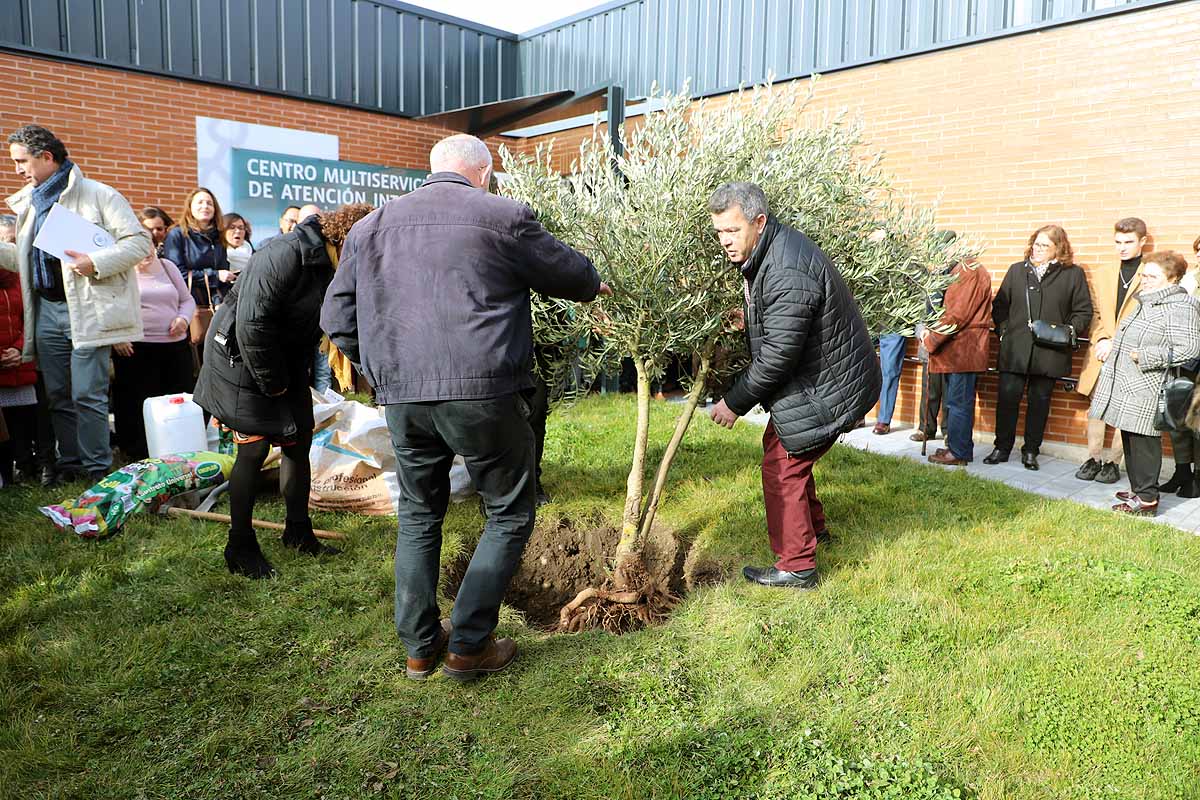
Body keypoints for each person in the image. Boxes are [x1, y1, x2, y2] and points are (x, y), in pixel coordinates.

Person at [322, 133, 606, 682]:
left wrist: (381, 368)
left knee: (419, 514)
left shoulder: (370, 227)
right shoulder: (502, 215)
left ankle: (420, 650)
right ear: (484, 171)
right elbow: (575, 278)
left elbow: (336, 319)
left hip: (402, 397)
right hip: (483, 391)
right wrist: (598, 282)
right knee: (508, 510)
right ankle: (469, 645)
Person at [707, 182, 880, 590]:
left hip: (831, 386)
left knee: (783, 466)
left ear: (759, 221)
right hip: (824, 378)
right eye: (719, 233)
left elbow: (778, 357)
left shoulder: (785, 267)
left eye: (732, 231)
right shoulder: (772, 251)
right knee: (787, 447)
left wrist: (733, 403)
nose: (725, 242)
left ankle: (797, 565)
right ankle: (813, 532)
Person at [194, 203, 374, 578]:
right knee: (255, 446)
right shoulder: (283, 254)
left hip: (286, 357)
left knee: (298, 439)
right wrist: (272, 383)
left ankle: (298, 532)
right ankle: (240, 546)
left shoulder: (332, 263)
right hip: (239, 357)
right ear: (345, 238)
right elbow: (252, 324)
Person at [1, 124, 151, 482]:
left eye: (22, 161)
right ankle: (71, 466)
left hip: (87, 309)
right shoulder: (29, 203)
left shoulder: (100, 195)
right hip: (47, 311)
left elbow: (139, 242)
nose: (17, 170)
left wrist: (95, 262)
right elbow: (20, 258)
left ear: (47, 158)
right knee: (59, 396)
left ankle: (97, 469)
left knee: (88, 394)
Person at [1089, 252, 1200, 517]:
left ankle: (1148, 500)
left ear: (1172, 279)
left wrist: (1146, 356)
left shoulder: (1181, 306)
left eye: (1152, 276)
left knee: (1144, 441)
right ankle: (1139, 489)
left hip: (1149, 386)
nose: (1144, 280)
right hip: (1129, 383)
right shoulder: (1147, 301)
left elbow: (1191, 348)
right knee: (1130, 435)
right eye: (1143, 274)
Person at [983, 225, 1092, 471]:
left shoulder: (1072, 274)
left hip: (1050, 352)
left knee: (1039, 402)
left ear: (1058, 249)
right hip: (1015, 350)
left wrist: (1067, 332)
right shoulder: (1016, 271)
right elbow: (1000, 306)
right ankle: (1001, 447)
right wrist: (1004, 331)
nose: (1037, 249)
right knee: (1007, 399)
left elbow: (1083, 311)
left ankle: (1031, 450)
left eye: (1045, 245)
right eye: (1036, 243)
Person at [1075, 218, 1148, 486]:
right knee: (1097, 406)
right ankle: (1093, 458)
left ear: (1142, 241)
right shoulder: (1105, 272)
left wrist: (1117, 342)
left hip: (1132, 353)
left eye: (1128, 242)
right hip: (1103, 350)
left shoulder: (1150, 273)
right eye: (1118, 242)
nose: (1122, 247)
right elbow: (1096, 314)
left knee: (1125, 409)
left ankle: (1112, 462)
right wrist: (1101, 339)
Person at [111, 251, 196, 460]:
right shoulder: (120, 269)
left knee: (177, 401)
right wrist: (117, 336)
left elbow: (187, 300)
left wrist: (183, 319)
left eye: (148, 245)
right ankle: (138, 455)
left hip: (174, 347)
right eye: (139, 247)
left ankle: (179, 451)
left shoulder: (168, 266)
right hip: (135, 348)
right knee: (136, 404)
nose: (146, 252)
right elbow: (109, 305)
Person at [920, 243, 994, 466]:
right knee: (956, 402)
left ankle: (958, 452)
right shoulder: (963, 269)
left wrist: (930, 339)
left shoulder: (967, 270)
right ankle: (957, 447)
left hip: (964, 350)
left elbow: (956, 315)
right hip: (960, 350)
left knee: (958, 403)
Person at [162, 187, 231, 355]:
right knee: (193, 355)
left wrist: (220, 301)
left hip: (215, 306)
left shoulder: (219, 237)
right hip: (187, 306)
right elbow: (176, 273)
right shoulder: (177, 234)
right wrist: (215, 276)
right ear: (190, 208)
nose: (205, 206)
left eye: (209, 203)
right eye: (199, 202)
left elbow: (223, 273)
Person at [1161, 234, 1200, 497]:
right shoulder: (1189, 280)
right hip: (1184, 359)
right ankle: (1182, 472)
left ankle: (1197, 477)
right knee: (1177, 418)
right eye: (1199, 250)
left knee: (1197, 422)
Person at [0, 265, 36, 486]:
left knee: (23, 423)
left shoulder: (19, 280)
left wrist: (20, 348)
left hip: (20, 361)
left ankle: (25, 468)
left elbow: (30, 320)